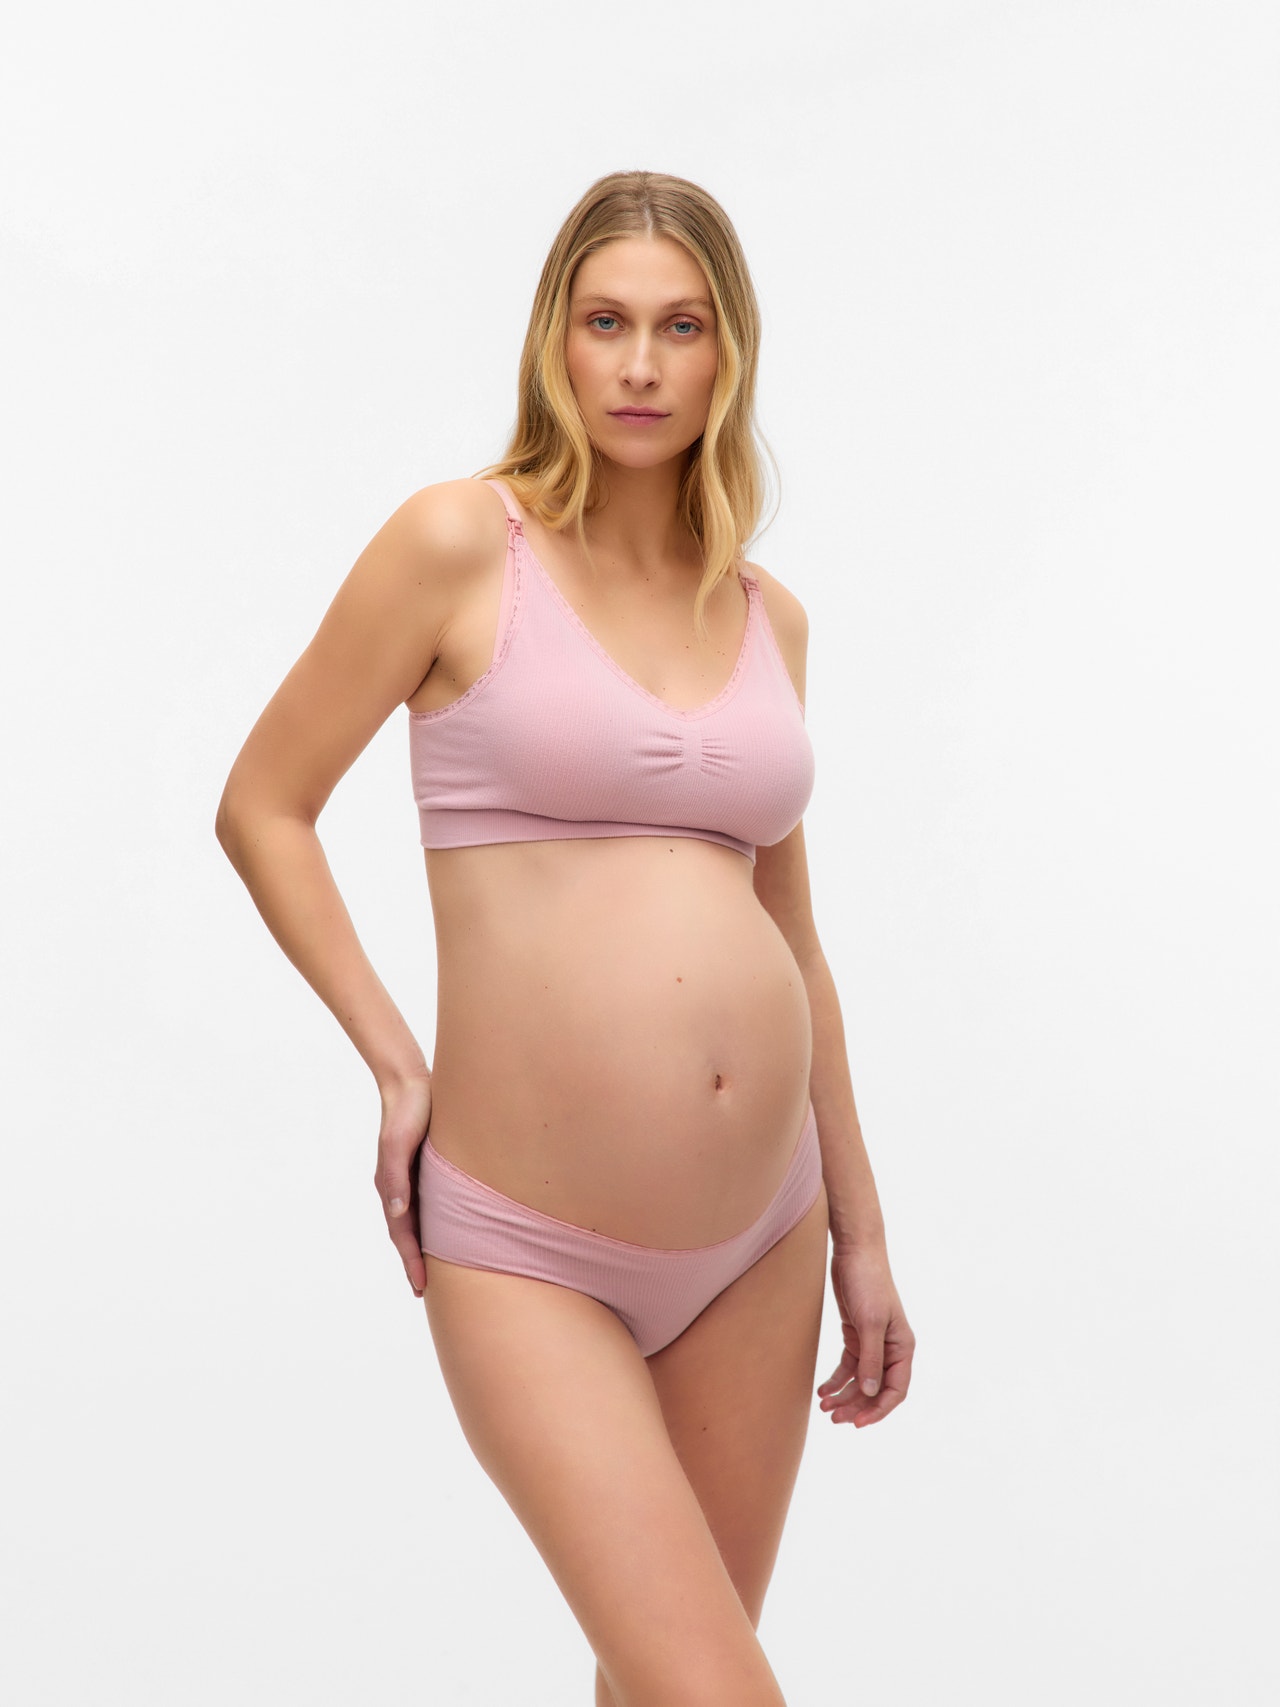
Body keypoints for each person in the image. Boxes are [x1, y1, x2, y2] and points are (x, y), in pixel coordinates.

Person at [216, 168, 915, 1707]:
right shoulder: (461, 544)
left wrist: (861, 1233)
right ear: (556, 340)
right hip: (530, 1246)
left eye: (683, 326)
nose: (642, 365)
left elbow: (793, 938)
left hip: (765, 1241)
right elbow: (264, 805)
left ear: (731, 353)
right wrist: (397, 1064)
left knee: (656, 1688)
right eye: (607, 323)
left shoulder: (770, 615)